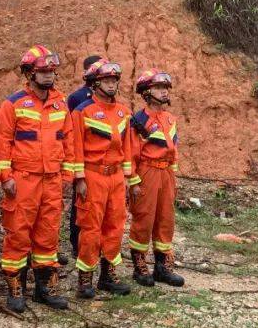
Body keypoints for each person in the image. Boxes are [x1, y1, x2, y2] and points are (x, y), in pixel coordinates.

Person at [0, 45, 77, 311]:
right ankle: (16, 287)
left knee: (48, 234)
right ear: (29, 73)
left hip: (52, 179)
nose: (48, 76)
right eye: (42, 72)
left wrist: (67, 175)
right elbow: (2, 142)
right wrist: (5, 176)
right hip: (23, 179)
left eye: (51, 71)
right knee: (18, 232)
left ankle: (45, 287)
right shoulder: (14, 104)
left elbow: (68, 141)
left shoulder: (60, 103)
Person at [71, 61, 136, 298]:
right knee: (90, 228)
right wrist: (79, 178)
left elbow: (128, 147)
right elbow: (75, 146)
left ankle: (108, 276)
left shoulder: (123, 112)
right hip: (93, 175)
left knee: (115, 225)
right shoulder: (82, 111)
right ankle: (85, 280)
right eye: (106, 80)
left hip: (116, 176)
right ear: (95, 83)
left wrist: (127, 177)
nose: (111, 84)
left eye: (114, 80)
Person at [128, 69, 184, 287]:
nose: (163, 92)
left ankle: (163, 267)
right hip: (147, 172)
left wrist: (173, 176)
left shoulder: (170, 119)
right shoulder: (139, 120)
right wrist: (133, 181)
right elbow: (131, 152)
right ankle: (140, 267)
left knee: (165, 219)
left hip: (166, 173)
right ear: (147, 92)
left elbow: (174, 148)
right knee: (144, 219)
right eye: (159, 88)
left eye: (165, 88)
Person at [66, 55, 103, 259]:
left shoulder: (106, 97)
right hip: (82, 160)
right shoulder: (76, 98)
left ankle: (96, 244)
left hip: (101, 164)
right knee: (79, 203)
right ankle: (76, 242)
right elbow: (72, 132)